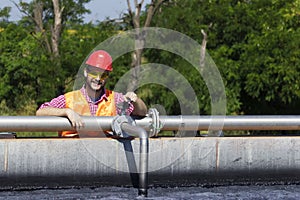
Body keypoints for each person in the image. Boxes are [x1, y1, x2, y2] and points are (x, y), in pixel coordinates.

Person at [36, 50, 148, 137]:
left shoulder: (115, 99)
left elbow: (142, 112)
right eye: (94, 73)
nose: (98, 79)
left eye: (103, 75)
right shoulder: (69, 99)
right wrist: (66, 111)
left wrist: (135, 100)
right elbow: (40, 112)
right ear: (86, 72)